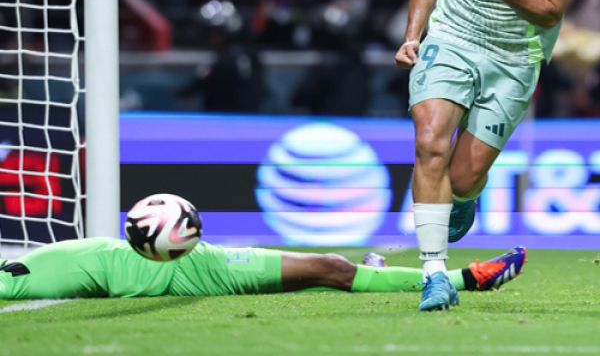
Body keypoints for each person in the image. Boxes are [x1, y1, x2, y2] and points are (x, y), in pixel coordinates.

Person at [393, 0, 577, 311]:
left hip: (516, 54)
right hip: (452, 38)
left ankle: (466, 196)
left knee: (464, 179)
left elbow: (552, 10)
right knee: (429, 143)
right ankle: (434, 271)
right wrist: (414, 34)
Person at [0, 237, 525, 301]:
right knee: (329, 267)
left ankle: (374, 269)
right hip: (180, 272)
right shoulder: (17, 279)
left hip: (187, 257)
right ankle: (464, 279)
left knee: (329, 265)